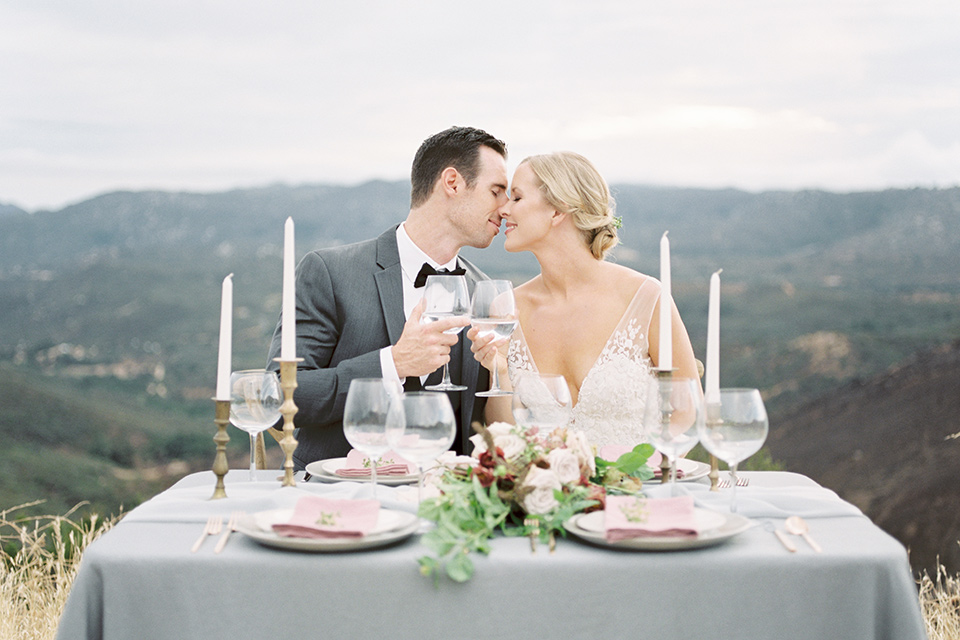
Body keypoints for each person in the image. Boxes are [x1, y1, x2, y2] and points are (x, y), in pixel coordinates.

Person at [266, 126, 509, 468]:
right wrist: (393, 364)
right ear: (452, 183)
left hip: (444, 510)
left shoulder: (485, 293)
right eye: (497, 191)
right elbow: (279, 397)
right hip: (338, 498)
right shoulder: (330, 272)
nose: (506, 208)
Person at [468, 151, 700, 448]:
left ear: (557, 210)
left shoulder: (645, 297)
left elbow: (687, 411)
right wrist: (499, 372)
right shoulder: (506, 309)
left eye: (516, 198)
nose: (503, 210)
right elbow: (504, 432)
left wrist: (638, 470)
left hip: (639, 487)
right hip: (553, 490)